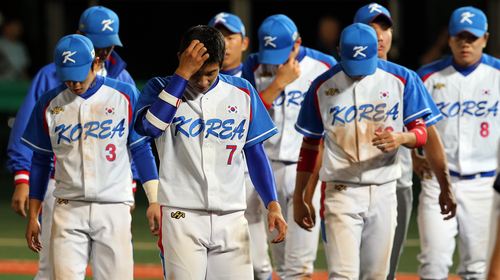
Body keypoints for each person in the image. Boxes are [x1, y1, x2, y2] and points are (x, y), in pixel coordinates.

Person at [133, 25, 287, 280]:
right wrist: (182, 74)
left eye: (211, 73)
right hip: (181, 215)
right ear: (182, 58)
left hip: (232, 216)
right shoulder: (159, 88)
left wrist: (273, 204)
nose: (203, 81)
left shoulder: (243, 91)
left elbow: (255, 153)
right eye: (197, 73)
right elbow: (151, 127)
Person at [7, 6, 139, 280]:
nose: (104, 51)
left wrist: (133, 181)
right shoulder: (51, 75)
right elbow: (28, 131)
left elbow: (136, 140)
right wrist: (23, 177)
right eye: (99, 44)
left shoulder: (122, 79)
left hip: (110, 189)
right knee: (51, 268)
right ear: (80, 35)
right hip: (61, 185)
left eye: (109, 44)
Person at [294, 23, 433, 279]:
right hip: (340, 191)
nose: (358, 73)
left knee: (376, 275)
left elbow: (421, 133)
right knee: (342, 275)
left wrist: (402, 137)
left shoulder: (402, 78)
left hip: (384, 191)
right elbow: (310, 144)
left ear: (377, 50)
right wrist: (300, 197)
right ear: (339, 50)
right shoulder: (321, 86)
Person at [23, 34, 159, 280]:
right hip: (67, 208)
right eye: (68, 77)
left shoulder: (125, 95)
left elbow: (141, 149)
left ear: (95, 63)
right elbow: (40, 160)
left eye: (79, 75)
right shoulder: (49, 103)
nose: (74, 84)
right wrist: (34, 215)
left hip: (114, 205)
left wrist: (154, 199)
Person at [350, 4, 456, 280]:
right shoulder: (336, 79)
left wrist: (443, 183)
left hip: (396, 183)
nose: (381, 35)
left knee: (385, 271)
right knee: (347, 270)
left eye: (385, 28)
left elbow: (427, 134)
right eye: (373, 29)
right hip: (346, 184)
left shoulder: (404, 76)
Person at [241, 14, 336, 279]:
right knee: (279, 263)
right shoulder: (253, 63)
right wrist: (279, 82)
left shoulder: (324, 65)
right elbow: (247, 117)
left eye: (283, 51)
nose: (276, 59)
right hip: (266, 170)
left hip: (306, 167)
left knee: (300, 264)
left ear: (298, 44)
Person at [416, 6, 500, 279]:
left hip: (485, 184)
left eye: (472, 37)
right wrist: (411, 158)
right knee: (433, 264)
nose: (466, 43)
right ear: (449, 38)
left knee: (477, 267)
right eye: (459, 37)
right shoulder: (427, 77)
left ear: (485, 38)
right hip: (438, 181)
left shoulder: (498, 74)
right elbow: (403, 124)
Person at [208, 12, 273, 280]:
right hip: (209, 179)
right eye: (218, 35)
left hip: (250, 173)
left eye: (230, 36)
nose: (224, 42)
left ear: (244, 43)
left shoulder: (256, 75)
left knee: (258, 263)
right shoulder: (195, 82)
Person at [208, 12, 249, 77]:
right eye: (216, 39)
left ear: (244, 43)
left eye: (230, 38)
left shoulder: (255, 80)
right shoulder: (194, 81)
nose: (223, 45)